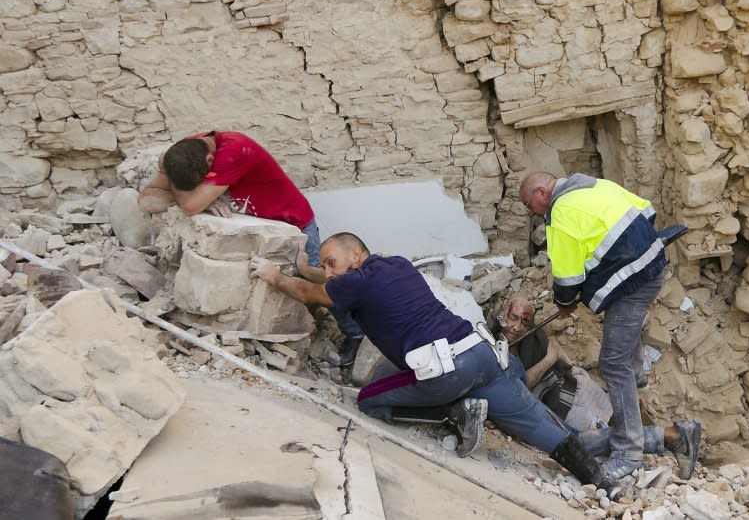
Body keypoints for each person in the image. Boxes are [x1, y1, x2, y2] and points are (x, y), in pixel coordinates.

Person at [249, 232, 621, 494]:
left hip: (448, 370)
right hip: (483, 354)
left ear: (356, 256)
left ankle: (455, 413)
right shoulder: (394, 264)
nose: (328, 271)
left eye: (332, 263)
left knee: (370, 398)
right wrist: (308, 265)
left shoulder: (353, 282)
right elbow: (330, 282)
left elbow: (309, 292)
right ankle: (602, 482)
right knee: (541, 428)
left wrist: (274, 274)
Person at [519, 171, 701, 479]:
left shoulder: (560, 212)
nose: (531, 212)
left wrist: (564, 303)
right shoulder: (590, 184)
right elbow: (646, 210)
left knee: (613, 363)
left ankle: (628, 452)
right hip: (651, 265)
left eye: (529, 204)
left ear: (541, 192)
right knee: (624, 355)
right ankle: (636, 381)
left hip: (631, 283)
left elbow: (567, 278)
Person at [137, 131, 363, 363]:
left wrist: (189, 194)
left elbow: (190, 205)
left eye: (200, 184)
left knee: (326, 283)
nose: (198, 189)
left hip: (294, 224)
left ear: (210, 162)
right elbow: (146, 201)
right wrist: (194, 194)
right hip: (255, 228)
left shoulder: (235, 150)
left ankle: (356, 335)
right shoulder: (184, 154)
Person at [489, 296, 701, 479]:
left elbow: (521, 383)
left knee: (582, 442)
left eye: (524, 323)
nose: (516, 327)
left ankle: (672, 435)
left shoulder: (531, 340)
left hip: (571, 401)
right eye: (512, 318)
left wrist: (554, 360)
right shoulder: (497, 339)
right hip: (571, 392)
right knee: (601, 437)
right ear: (502, 315)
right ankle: (669, 436)